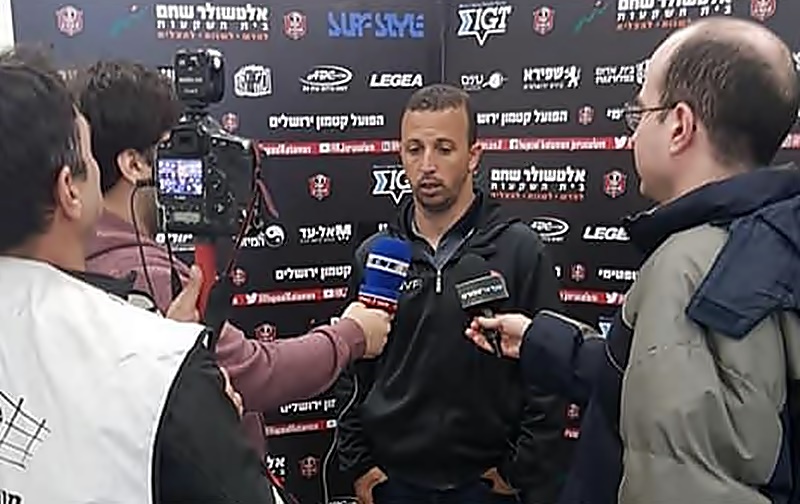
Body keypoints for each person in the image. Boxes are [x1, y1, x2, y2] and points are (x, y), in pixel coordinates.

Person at [465, 17, 800, 504]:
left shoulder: (690, 269)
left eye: (640, 112)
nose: (632, 133)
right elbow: (665, 387)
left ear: (679, 126)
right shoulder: (762, 243)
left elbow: (683, 477)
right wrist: (541, 341)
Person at [72, 60, 392, 460]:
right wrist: (351, 335)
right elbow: (252, 373)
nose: (195, 167)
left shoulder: (74, 260)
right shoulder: (144, 276)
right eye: (178, 149)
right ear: (135, 165)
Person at [0, 47, 278, 503]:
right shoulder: (164, 369)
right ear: (69, 189)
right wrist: (184, 390)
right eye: (89, 155)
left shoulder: (156, 356)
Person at [335, 84, 575, 504]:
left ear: (473, 156)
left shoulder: (519, 250)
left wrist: (520, 469)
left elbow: (549, 371)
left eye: (444, 149)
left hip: (486, 485)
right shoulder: (376, 256)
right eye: (414, 149)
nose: (427, 165)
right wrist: (358, 464)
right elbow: (351, 372)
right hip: (394, 483)